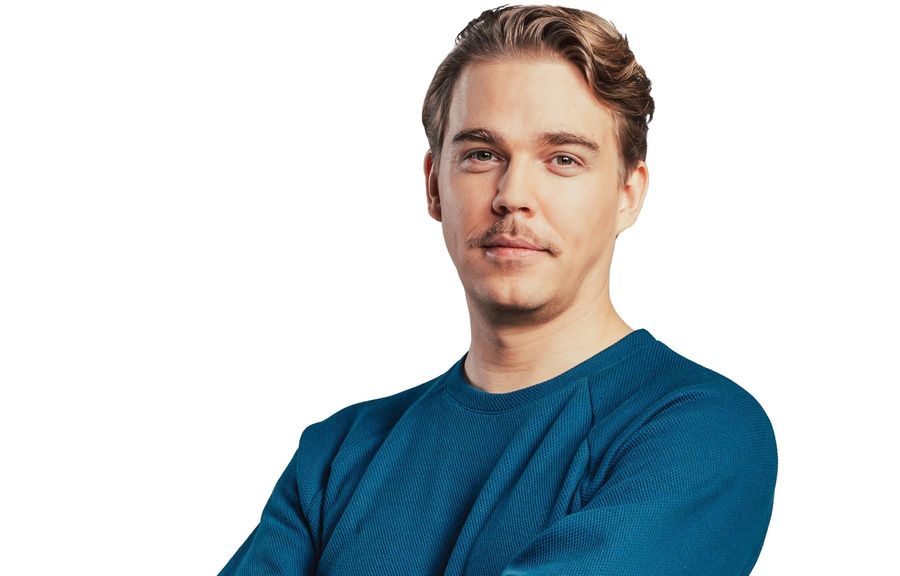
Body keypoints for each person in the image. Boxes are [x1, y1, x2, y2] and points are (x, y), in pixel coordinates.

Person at [218, 4, 777, 575]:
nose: (513, 195)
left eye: (563, 159)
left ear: (628, 194)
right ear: (435, 186)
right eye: (482, 155)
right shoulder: (338, 452)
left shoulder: (700, 432)